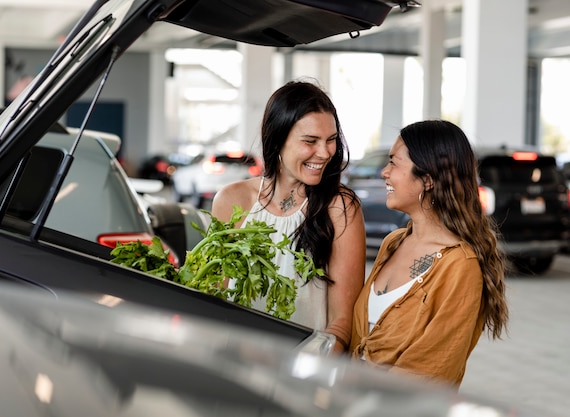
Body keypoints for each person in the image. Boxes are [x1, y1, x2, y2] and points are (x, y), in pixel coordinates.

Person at [349, 119, 509, 387]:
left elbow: (430, 372)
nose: (384, 173)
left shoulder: (460, 265)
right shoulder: (393, 243)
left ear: (427, 179)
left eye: (393, 163)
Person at [211, 80, 366, 354]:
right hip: (237, 369)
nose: (325, 152)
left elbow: (342, 322)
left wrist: (307, 370)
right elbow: (215, 298)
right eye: (310, 141)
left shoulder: (340, 208)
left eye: (331, 140)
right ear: (278, 139)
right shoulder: (231, 201)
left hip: (302, 378)